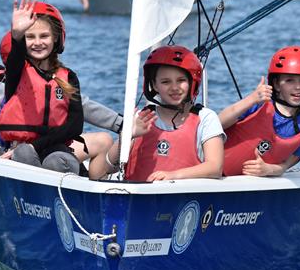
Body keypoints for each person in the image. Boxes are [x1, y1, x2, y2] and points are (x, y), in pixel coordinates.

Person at [0, 32, 119, 173]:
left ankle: (87, 184)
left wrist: (120, 123)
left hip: (52, 147)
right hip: (16, 152)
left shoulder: (59, 80)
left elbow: (84, 107)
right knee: (24, 153)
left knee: (104, 140)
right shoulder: (0, 86)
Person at [91, 45, 224, 182]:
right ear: (154, 85)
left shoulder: (206, 118)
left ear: (191, 82)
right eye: (165, 82)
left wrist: (172, 176)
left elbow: (215, 168)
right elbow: (98, 173)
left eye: (181, 80)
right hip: (140, 198)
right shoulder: (141, 119)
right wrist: (126, 136)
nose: (174, 87)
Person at [0, 0, 83, 173]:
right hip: (20, 149)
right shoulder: (17, 71)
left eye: (44, 36)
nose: (37, 43)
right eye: (30, 37)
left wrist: (36, 146)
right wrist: (18, 35)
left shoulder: (69, 77)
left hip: (55, 147)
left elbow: (75, 125)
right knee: (23, 152)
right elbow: (16, 57)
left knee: (58, 162)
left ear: (56, 38)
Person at [220, 46, 300, 177]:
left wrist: (274, 170)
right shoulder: (259, 105)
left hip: (256, 184)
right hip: (219, 177)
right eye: (289, 80)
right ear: (277, 84)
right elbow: (219, 123)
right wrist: (251, 99)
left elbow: (296, 155)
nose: (297, 87)